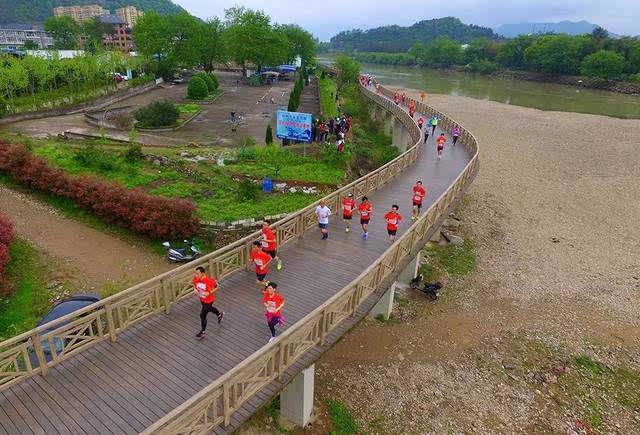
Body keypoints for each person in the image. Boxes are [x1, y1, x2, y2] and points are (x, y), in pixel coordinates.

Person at [193, 266, 223, 339]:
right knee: (210, 309)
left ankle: (203, 332)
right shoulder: (196, 279)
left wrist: (209, 293)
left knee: (202, 316)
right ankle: (220, 314)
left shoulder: (209, 281)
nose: (196, 275)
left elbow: (217, 286)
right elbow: (194, 284)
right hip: (202, 300)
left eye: (197, 273)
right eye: (195, 273)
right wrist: (195, 289)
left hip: (209, 300)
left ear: (203, 273)